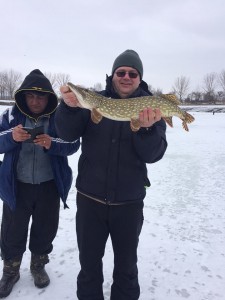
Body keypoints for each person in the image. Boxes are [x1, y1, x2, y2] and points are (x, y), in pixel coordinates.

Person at [55, 50, 168, 300]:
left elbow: (154, 154)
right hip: (90, 201)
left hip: (128, 204)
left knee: (127, 271)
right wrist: (70, 107)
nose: (126, 77)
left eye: (132, 73)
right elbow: (66, 133)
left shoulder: (149, 106)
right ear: (113, 74)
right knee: (89, 269)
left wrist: (147, 129)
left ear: (140, 78)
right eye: (121, 72)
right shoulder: (95, 102)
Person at [0, 69, 80, 298]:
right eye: (31, 96)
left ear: (49, 98)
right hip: (17, 186)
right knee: (12, 231)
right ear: (23, 96)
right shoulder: (9, 117)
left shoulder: (59, 118)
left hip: (49, 186)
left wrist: (50, 144)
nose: (35, 101)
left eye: (41, 96)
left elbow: (73, 143)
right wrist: (11, 138)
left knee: (45, 229)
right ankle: (10, 270)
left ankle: (38, 265)